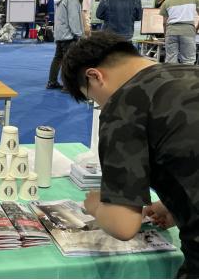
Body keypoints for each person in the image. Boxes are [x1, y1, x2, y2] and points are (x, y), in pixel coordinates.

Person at [60, 31, 199, 279]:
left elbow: (123, 225)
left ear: (95, 76)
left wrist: (96, 206)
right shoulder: (191, 73)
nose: (101, 106)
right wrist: (174, 203)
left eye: (94, 100)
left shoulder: (124, 106)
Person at [46, 0, 84, 90]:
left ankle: (52, 81)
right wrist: (78, 34)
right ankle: (68, 86)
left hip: (59, 34)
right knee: (70, 61)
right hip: (69, 35)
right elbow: (73, 18)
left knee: (58, 58)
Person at [159, 0, 199, 65]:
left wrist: (166, 35)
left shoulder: (166, 2)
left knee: (170, 60)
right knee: (188, 60)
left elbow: (164, 23)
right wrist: (196, 28)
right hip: (188, 31)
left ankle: (171, 74)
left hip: (171, 32)